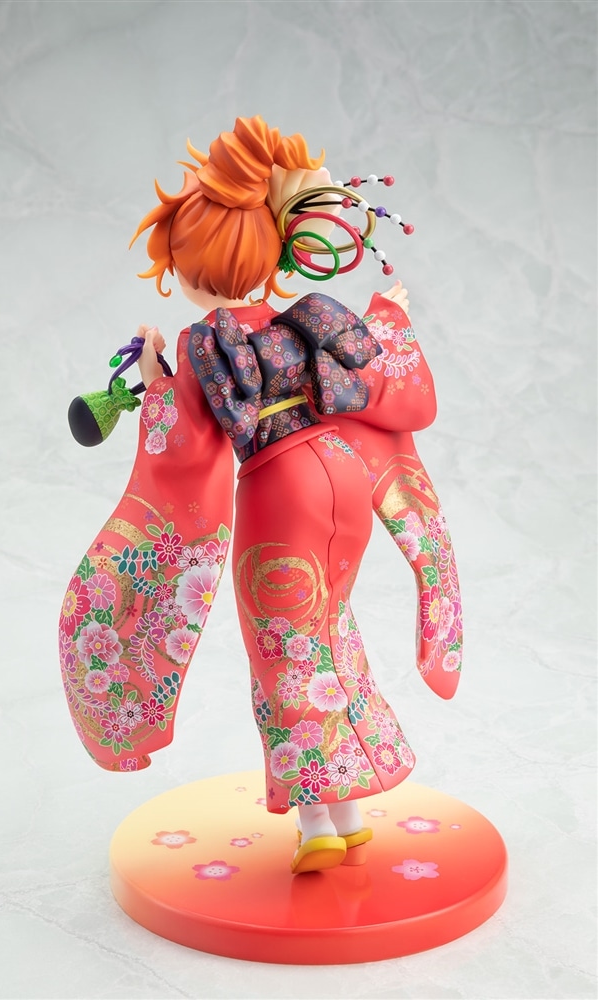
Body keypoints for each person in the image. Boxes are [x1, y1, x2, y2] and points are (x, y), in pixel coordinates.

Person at [59, 116, 462, 874]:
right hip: (341, 471)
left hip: (279, 488)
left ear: (189, 266)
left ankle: (317, 826)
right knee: (328, 628)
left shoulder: (200, 344)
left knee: (281, 646)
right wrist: (391, 317)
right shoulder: (302, 319)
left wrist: (155, 383)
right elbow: (380, 379)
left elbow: (184, 446)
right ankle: (351, 806)